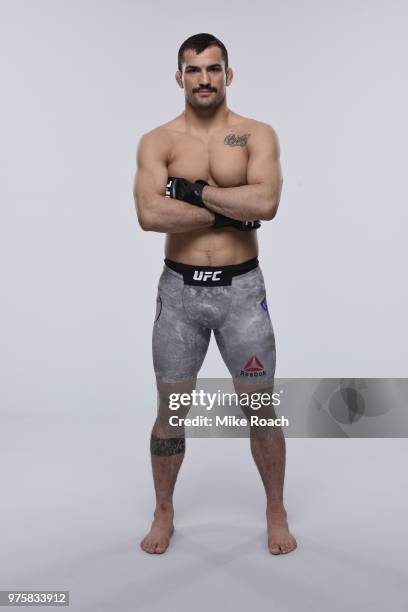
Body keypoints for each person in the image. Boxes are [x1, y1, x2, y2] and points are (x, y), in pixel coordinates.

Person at [133, 33, 297, 556]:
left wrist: (192, 191)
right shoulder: (158, 141)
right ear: (179, 77)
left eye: (213, 68)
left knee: (260, 408)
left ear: (230, 73)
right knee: (171, 411)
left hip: (242, 293)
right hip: (179, 295)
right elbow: (150, 215)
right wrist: (232, 207)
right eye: (194, 69)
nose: (204, 78)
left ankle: (276, 510)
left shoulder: (256, 134)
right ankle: (164, 512)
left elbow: (266, 202)